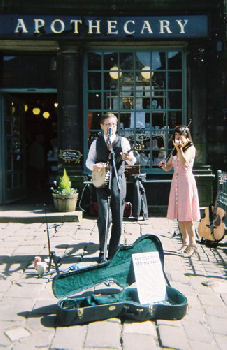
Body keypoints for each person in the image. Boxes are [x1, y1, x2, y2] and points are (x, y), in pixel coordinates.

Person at [86, 112, 136, 262]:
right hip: (102, 183)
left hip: (118, 182)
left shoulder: (123, 141)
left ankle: (113, 252)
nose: (111, 127)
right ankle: (102, 251)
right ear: (102, 126)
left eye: (113, 124)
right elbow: (88, 162)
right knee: (104, 217)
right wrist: (95, 166)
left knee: (118, 219)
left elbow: (132, 161)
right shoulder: (96, 142)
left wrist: (128, 158)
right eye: (108, 124)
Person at [159, 126, 200, 257]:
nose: (177, 137)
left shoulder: (190, 149)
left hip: (186, 182)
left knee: (187, 215)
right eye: (176, 135)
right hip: (176, 183)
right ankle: (184, 242)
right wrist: (163, 166)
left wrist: (179, 148)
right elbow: (169, 167)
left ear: (187, 136)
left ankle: (193, 244)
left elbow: (183, 161)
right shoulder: (175, 151)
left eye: (180, 135)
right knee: (180, 215)